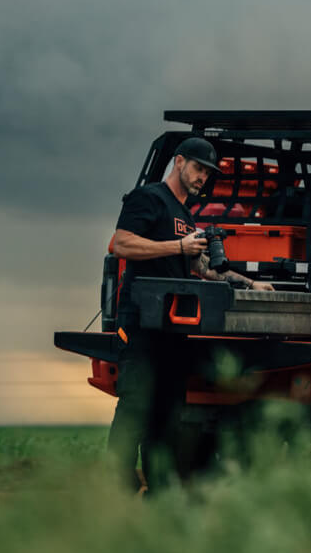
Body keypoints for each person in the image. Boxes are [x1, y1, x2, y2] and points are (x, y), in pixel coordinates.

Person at [108, 137, 274, 491]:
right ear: (179, 162)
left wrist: (248, 282)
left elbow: (197, 265)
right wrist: (179, 245)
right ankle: (114, 487)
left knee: (167, 411)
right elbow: (120, 243)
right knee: (135, 403)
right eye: (199, 169)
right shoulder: (148, 198)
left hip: (174, 328)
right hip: (140, 322)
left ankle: (160, 489)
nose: (203, 178)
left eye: (208, 173)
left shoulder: (185, 215)